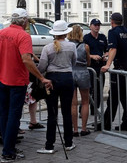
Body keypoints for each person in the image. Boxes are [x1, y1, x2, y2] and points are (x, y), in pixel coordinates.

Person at [0, 8, 53, 162]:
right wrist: (41, 77)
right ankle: (8, 152)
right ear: (24, 21)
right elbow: (26, 59)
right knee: (14, 115)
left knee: (4, 113)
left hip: (1, 79)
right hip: (17, 81)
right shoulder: (23, 35)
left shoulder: (0, 33)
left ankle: (7, 145)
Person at [37, 20, 77, 154]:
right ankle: (69, 142)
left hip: (52, 79)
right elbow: (74, 61)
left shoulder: (47, 48)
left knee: (52, 113)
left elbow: (42, 66)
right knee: (66, 112)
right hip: (67, 78)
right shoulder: (72, 46)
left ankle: (49, 145)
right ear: (65, 33)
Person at [69, 25, 91, 137]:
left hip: (71, 73)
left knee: (73, 104)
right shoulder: (85, 46)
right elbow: (89, 62)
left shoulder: (67, 46)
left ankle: (75, 129)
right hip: (83, 72)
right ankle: (83, 128)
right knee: (85, 102)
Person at [83, 18, 107, 119]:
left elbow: (108, 50)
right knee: (89, 89)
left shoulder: (102, 37)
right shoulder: (86, 38)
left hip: (100, 67)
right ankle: (82, 109)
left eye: (98, 25)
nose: (97, 27)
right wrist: (92, 56)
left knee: (99, 90)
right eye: (95, 25)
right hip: (90, 67)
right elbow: (83, 52)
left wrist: (105, 55)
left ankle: (95, 109)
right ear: (90, 26)